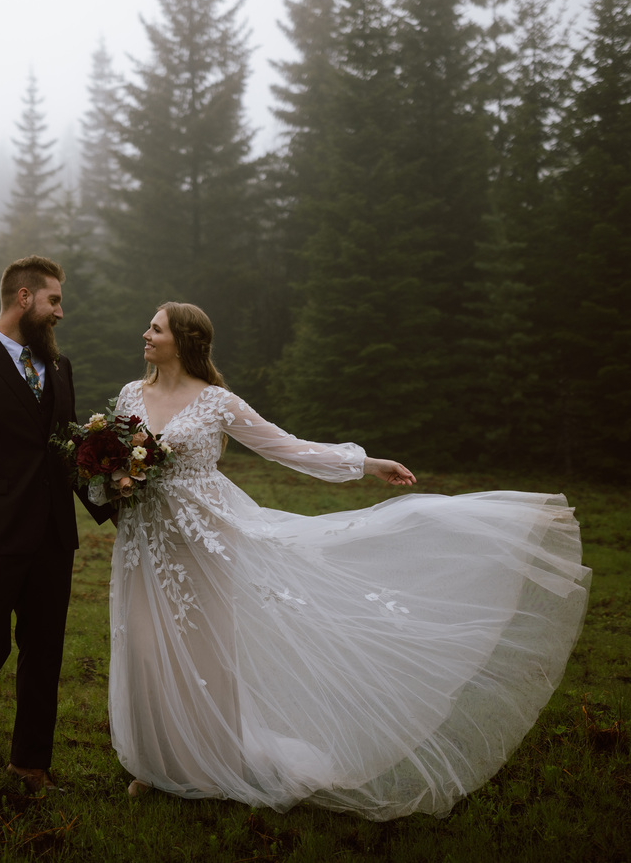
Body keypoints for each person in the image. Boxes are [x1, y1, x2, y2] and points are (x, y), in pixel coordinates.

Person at [106, 302, 591, 820]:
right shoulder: (131, 395)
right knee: (144, 647)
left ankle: (202, 768)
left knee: (203, 653)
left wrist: (365, 463)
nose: (146, 334)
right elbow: (115, 457)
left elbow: (286, 447)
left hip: (203, 542)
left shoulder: (217, 402)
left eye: (155, 328)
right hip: (142, 539)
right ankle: (155, 766)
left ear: (182, 340)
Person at [0, 255, 111, 807]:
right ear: (25, 298)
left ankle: (31, 761)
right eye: (54, 300)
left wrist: (116, 499)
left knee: (45, 655)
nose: (61, 312)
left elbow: (66, 452)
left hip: (53, 540)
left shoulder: (59, 368)